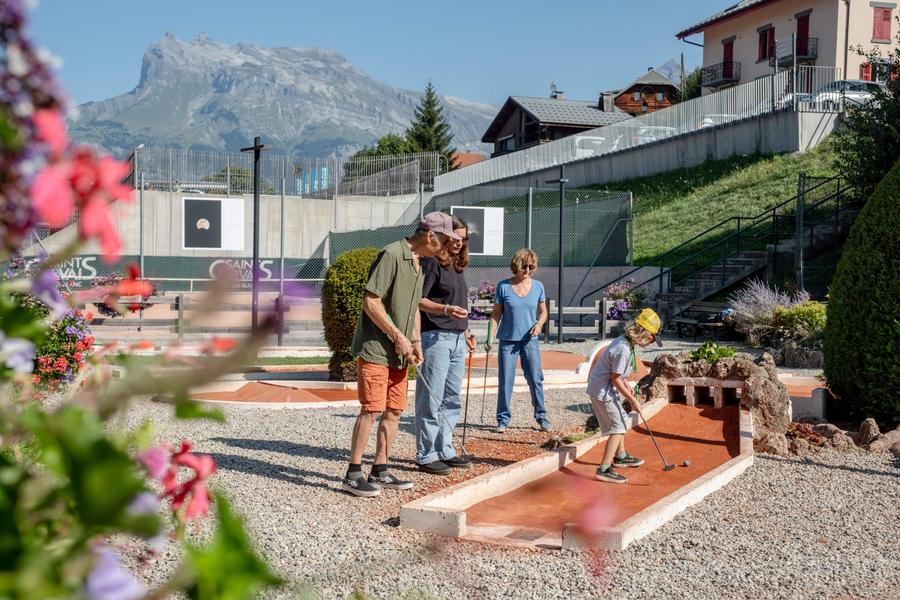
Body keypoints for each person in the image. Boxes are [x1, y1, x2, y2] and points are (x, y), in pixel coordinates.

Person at [341, 212, 460, 498]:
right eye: (444, 241)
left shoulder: (421, 263)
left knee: (394, 410)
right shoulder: (392, 254)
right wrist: (397, 336)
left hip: (400, 353)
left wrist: (415, 341)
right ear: (429, 236)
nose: (445, 247)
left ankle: (380, 468)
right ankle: (353, 473)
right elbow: (371, 301)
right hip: (377, 349)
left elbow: (413, 308)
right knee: (371, 409)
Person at [414, 215, 477, 474]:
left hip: (456, 340)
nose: (458, 243)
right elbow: (418, 300)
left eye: (463, 239)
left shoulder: (458, 267)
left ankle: (445, 449)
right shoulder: (432, 263)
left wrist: (466, 332)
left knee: (451, 398)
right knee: (431, 398)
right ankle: (426, 454)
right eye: (454, 238)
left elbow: (459, 308)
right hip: (436, 337)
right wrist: (446, 309)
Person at [586, 307, 663, 484]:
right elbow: (615, 379)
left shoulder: (625, 342)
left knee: (620, 418)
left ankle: (620, 456)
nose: (651, 343)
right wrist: (633, 400)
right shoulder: (624, 350)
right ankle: (604, 469)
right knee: (618, 428)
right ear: (646, 334)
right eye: (653, 338)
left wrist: (627, 385)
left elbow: (617, 375)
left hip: (604, 388)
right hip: (602, 392)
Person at [486, 248, 551, 433]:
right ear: (516, 265)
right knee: (506, 380)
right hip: (508, 341)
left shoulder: (538, 286)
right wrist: (490, 336)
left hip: (530, 340)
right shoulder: (503, 286)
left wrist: (539, 325)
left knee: (535, 379)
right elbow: (495, 315)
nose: (528, 270)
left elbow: (543, 312)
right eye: (525, 266)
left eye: (531, 267)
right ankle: (503, 419)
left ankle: (542, 416)